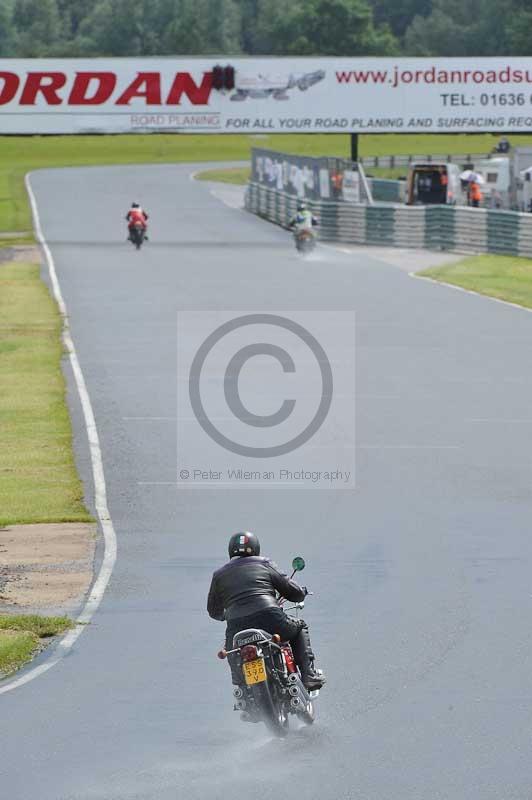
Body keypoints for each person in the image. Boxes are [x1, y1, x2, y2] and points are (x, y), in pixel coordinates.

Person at [207, 532, 326, 692]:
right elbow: (291, 590)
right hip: (270, 617)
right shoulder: (264, 563)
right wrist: (300, 592)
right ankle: (308, 676)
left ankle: (242, 688)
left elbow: (213, 610)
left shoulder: (218, 575)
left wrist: (226, 615)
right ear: (256, 548)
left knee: (231, 649)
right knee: (299, 627)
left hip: (236, 626)